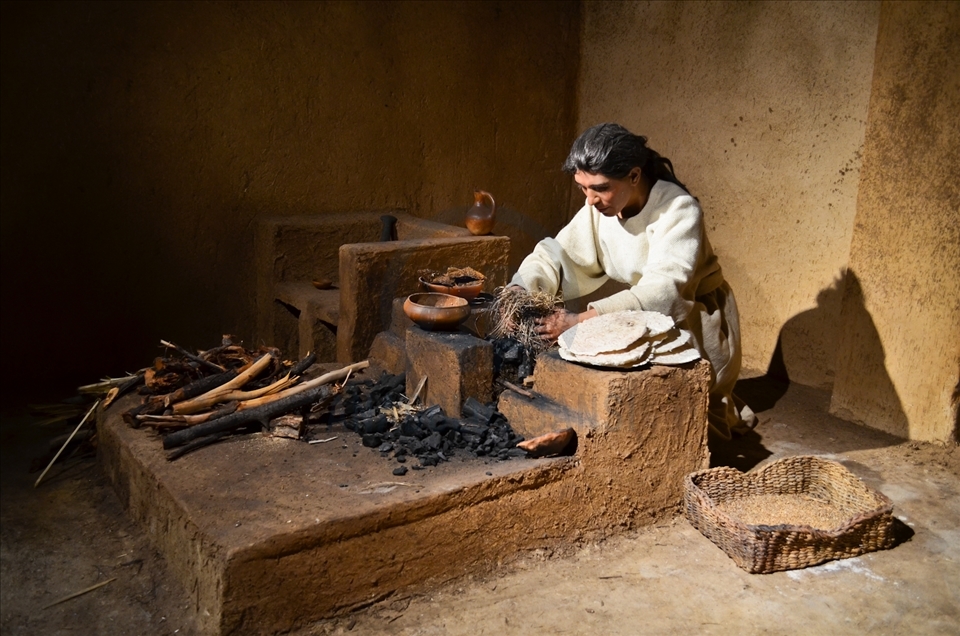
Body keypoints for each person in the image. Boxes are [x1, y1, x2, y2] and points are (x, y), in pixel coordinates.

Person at [509, 123, 754, 440]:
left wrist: (580, 321)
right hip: (639, 314)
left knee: (686, 426)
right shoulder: (598, 208)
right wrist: (520, 290)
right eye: (582, 188)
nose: (590, 200)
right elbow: (556, 254)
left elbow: (665, 292)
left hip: (692, 319)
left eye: (599, 188)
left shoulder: (678, 209)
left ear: (634, 176)